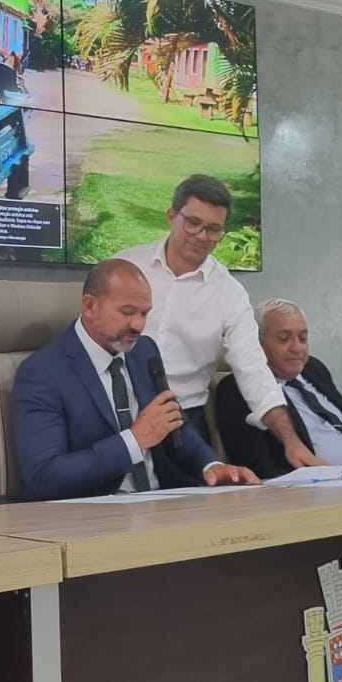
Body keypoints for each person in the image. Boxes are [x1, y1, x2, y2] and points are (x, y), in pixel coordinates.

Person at [114, 175, 325, 469]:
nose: (202, 236)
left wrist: (291, 441)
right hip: (114, 414)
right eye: (193, 223)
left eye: (213, 229)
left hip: (183, 425)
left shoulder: (229, 293)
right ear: (172, 216)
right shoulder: (125, 267)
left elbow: (253, 368)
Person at [11, 259, 259, 500]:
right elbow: (44, 477)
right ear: (89, 306)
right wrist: (133, 441)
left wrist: (211, 466)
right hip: (94, 513)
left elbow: (173, 421)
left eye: (144, 313)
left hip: (162, 502)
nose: (139, 325)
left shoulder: (143, 351)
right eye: (127, 312)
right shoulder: (42, 372)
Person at [214, 299, 342, 477]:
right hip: (322, 487)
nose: (297, 348)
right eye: (284, 339)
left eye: (303, 338)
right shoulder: (235, 389)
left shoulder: (313, 369)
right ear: (257, 344)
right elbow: (260, 469)